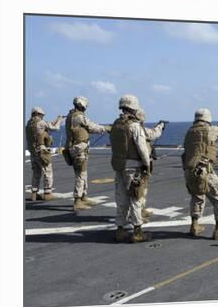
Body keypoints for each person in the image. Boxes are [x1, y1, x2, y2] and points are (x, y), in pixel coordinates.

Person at [182, 108, 218, 239]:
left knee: (197, 196)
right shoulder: (210, 130)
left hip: (189, 170)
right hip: (204, 170)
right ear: (208, 119)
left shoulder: (189, 131)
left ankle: (194, 225)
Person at [109, 95, 152, 243]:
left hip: (119, 166)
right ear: (134, 108)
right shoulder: (134, 125)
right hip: (133, 167)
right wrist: (146, 164)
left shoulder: (116, 125)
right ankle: (137, 231)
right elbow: (142, 148)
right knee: (135, 198)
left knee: (121, 199)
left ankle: (120, 231)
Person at [64, 96, 110, 211]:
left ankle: (83, 197)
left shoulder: (70, 116)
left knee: (83, 173)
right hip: (79, 147)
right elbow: (92, 127)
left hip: (75, 147)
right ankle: (77, 200)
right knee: (80, 174)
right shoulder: (79, 117)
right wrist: (106, 128)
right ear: (82, 105)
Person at [25, 106, 64, 201]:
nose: (42, 117)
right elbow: (55, 128)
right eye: (41, 115)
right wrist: (60, 121)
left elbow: (48, 125)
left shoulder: (29, 124)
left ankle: (34, 194)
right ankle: (47, 193)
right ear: (38, 114)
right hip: (41, 151)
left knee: (36, 172)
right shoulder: (41, 123)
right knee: (48, 171)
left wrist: (57, 119)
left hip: (33, 151)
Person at [136, 109, 166, 221]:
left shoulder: (128, 128)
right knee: (141, 188)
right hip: (142, 163)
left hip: (128, 162)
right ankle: (139, 213)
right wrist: (160, 126)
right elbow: (154, 134)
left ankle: (140, 210)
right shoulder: (139, 129)